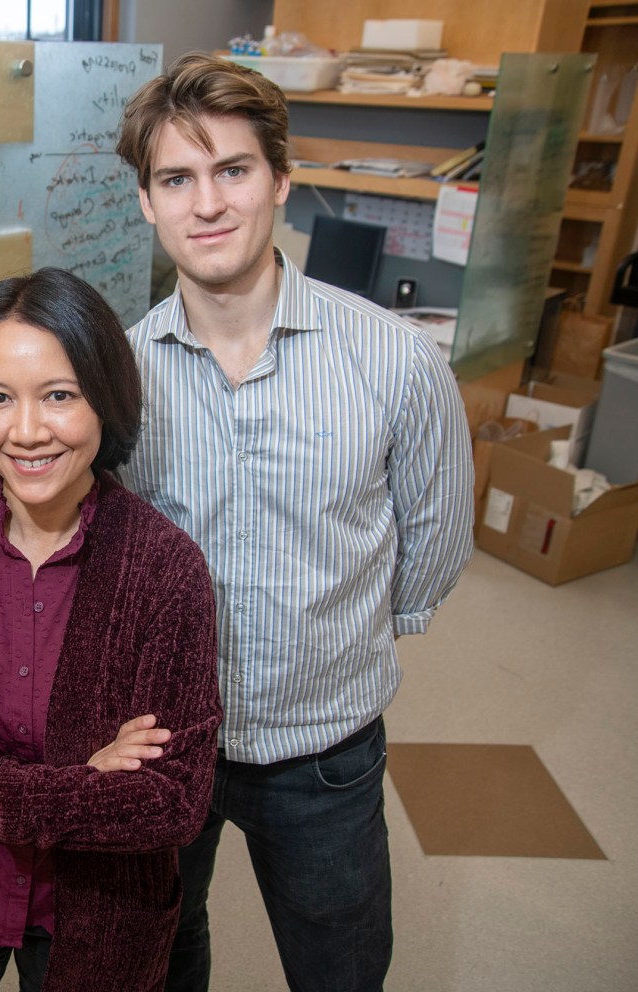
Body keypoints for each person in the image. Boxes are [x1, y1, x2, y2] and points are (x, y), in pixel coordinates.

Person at [115, 53, 475, 992]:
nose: (207, 204)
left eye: (232, 170)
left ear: (280, 178)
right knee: (157, 955)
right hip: (163, 740)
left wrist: (338, 628)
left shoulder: (396, 363)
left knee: (341, 969)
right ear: (147, 202)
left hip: (325, 751)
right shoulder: (116, 377)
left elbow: (436, 539)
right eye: (175, 179)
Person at [0, 267, 223, 992]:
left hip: (98, 909)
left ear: (105, 400)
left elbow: (171, 803)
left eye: (59, 396)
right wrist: (85, 782)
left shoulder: (164, 568)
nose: (26, 432)